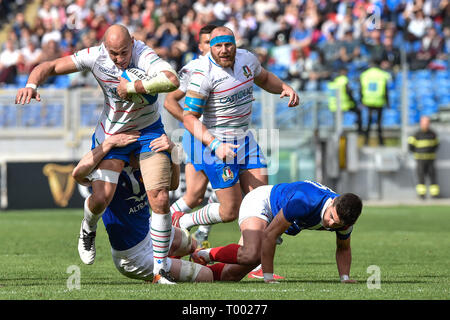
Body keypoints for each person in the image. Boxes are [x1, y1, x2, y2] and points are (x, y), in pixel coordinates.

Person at [15, 24, 180, 283]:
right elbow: (50, 67)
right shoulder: (95, 55)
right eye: (113, 53)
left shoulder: (144, 54)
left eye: (123, 52)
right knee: (102, 198)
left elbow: (172, 80)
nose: (118, 58)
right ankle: (88, 228)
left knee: (159, 198)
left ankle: (160, 270)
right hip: (112, 135)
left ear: (133, 43)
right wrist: (32, 84)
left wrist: (135, 86)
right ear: (105, 49)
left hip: (148, 132)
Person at [72, 132, 252, 283]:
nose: (148, 153)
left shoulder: (148, 167)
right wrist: (108, 142)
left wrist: (174, 152)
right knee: (206, 276)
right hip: (134, 256)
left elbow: (173, 185)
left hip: (151, 231)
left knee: (191, 243)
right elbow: (78, 174)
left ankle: (200, 256)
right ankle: (174, 266)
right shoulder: (109, 173)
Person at [172, 27, 300, 236]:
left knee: (261, 203)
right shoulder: (202, 74)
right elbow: (188, 117)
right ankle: (186, 221)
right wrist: (215, 145)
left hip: (244, 140)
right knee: (230, 210)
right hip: (215, 144)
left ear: (235, 44)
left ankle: (257, 266)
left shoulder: (247, 59)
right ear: (210, 48)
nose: (224, 50)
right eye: (218, 46)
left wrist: (284, 87)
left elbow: (265, 78)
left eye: (228, 45)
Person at [191, 180, 363, 284]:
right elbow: (269, 235)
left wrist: (345, 278)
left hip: (280, 216)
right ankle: (205, 254)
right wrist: (268, 276)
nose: (330, 224)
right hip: (262, 202)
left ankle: (195, 271)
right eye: (331, 217)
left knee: (231, 275)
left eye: (336, 224)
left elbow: (343, 248)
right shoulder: (304, 201)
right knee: (251, 253)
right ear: (332, 202)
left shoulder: (344, 222)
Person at [164, 24, 217, 247]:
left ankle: (200, 231)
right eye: (208, 43)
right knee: (198, 196)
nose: (212, 48)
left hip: (225, 137)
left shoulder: (229, 67)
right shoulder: (194, 67)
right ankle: (159, 227)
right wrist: (190, 122)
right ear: (200, 45)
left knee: (203, 195)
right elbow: (169, 100)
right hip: (200, 138)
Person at [359, 60, 391, 146]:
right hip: (379, 100)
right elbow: (385, 90)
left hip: (368, 100)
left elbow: (361, 89)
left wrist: (361, 100)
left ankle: (366, 141)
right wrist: (388, 103)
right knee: (379, 123)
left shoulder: (365, 74)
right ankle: (381, 142)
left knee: (368, 122)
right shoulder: (383, 74)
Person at [408, 116, 440, 199]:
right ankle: (421, 195)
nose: (426, 124)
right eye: (424, 122)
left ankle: (434, 194)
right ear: (421, 123)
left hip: (430, 159)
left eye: (427, 122)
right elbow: (410, 146)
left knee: (432, 177)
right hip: (420, 160)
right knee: (421, 177)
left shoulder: (433, 134)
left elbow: (436, 145)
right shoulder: (416, 134)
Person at [327, 67, 363, 135]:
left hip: (333, 105)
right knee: (358, 111)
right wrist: (354, 102)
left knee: (337, 122)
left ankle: (336, 134)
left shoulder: (334, 80)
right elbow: (348, 92)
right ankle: (359, 132)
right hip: (343, 104)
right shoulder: (344, 80)